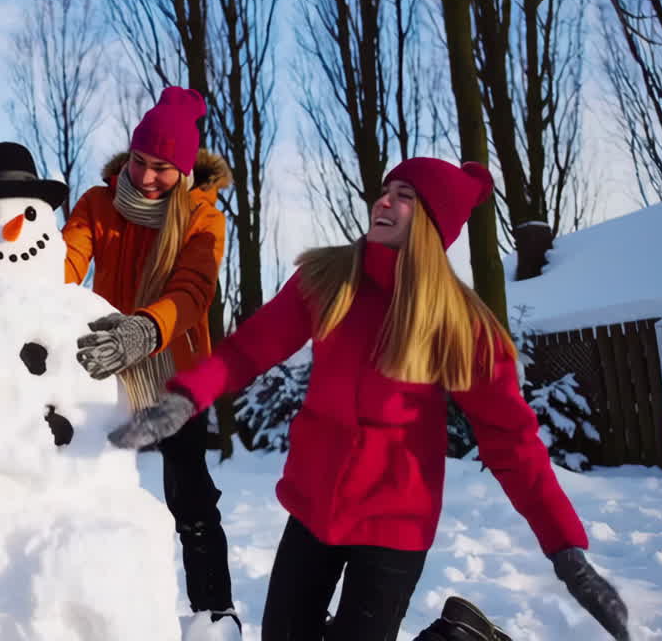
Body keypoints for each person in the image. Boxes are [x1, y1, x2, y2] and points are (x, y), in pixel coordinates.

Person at [108, 157, 631, 641]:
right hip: (315, 508)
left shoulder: (460, 324)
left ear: (431, 221)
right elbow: (249, 349)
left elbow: (511, 441)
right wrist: (185, 398)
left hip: (393, 523)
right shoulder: (329, 278)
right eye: (385, 191)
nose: (383, 201)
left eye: (403, 195)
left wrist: (566, 551)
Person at [62, 86, 241, 635]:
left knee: (187, 493)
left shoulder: (203, 220)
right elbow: (65, 266)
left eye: (161, 168)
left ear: (184, 170)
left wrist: (145, 328)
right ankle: (78, 607)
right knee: (82, 481)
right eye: (139, 161)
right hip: (99, 367)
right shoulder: (97, 203)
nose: (143, 178)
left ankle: (215, 612)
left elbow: (193, 292)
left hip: (174, 375)